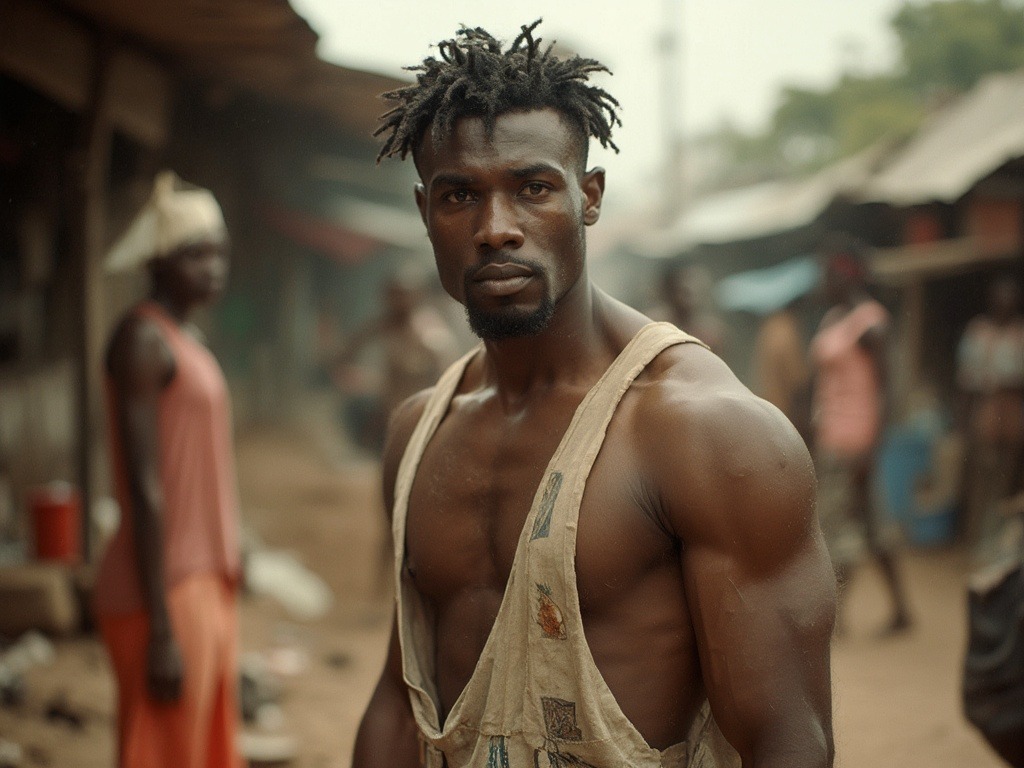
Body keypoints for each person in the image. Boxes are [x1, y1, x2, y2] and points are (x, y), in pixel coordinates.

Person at [353, 21, 835, 768]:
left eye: (534, 187)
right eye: (459, 196)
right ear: (426, 214)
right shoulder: (418, 435)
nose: (496, 229)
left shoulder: (706, 434)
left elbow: (787, 740)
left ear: (591, 197)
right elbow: (398, 695)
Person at [94, 172, 243, 768]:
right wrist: (161, 629)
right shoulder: (143, 340)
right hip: (163, 586)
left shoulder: (188, 339)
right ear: (158, 262)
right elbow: (147, 488)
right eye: (195, 253)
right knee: (163, 752)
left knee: (202, 749)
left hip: (205, 577)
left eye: (219, 253)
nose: (213, 267)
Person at [809, 243, 911, 636]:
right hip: (832, 438)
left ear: (847, 275)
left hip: (855, 441)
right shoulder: (834, 318)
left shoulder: (871, 324)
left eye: (829, 274)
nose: (824, 282)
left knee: (837, 526)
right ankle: (901, 610)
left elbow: (886, 389)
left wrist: (872, 445)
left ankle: (835, 619)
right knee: (871, 524)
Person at [333, 268, 459, 456]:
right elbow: (353, 346)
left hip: (420, 406)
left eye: (403, 295)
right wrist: (346, 368)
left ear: (416, 296)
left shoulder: (426, 328)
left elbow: (448, 367)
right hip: (389, 405)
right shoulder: (386, 323)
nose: (397, 301)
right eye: (393, 294)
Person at [956, 275, 1024, 565]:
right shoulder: (978, 331)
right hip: (984, 416)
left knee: (1005, 482)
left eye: (1010, 296)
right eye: (1000, 295)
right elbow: (965, 379)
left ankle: (998, 549)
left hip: (1012, 416)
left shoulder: (1020, 334)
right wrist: (962, 422)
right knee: (980, 482)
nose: (1004, 302)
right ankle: (974, 545)